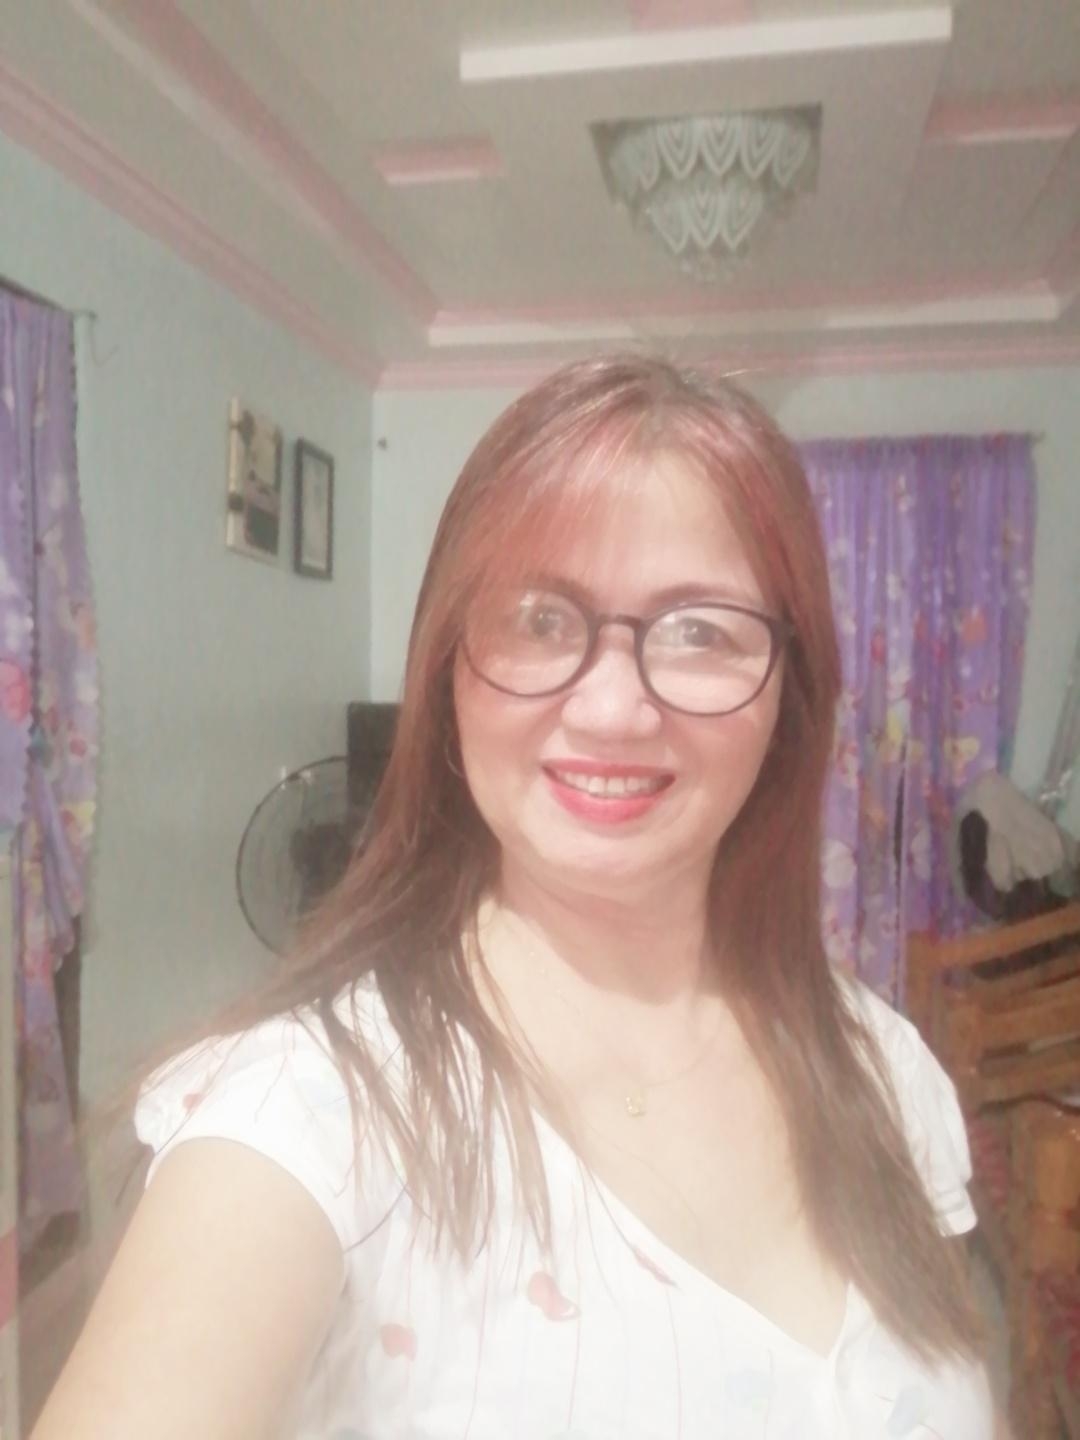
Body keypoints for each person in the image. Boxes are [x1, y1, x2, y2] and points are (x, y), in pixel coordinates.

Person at [33, 355, 1001, 1439]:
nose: (613, 711)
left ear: (792, 692)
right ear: (448, 668)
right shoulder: (303, 1113)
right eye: (540, 619)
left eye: (700, 630)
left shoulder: (885, 1073)